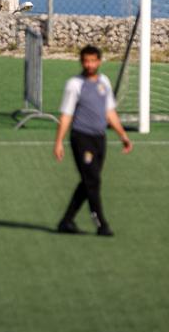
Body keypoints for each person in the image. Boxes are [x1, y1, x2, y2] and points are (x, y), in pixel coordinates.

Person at [53, 44, 132, 236]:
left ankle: (66, 221)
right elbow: (66, 115)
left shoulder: (104, 82)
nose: (89, 65)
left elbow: (109, 112)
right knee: (93, 180)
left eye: (93, 61)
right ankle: (101, 224)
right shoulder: (74, 84)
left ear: (99, 61)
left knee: (89, 180)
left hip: (100, 138)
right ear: (81, 62)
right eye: (85, 61)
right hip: (81, 138)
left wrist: (122, 135)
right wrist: (58, 142)